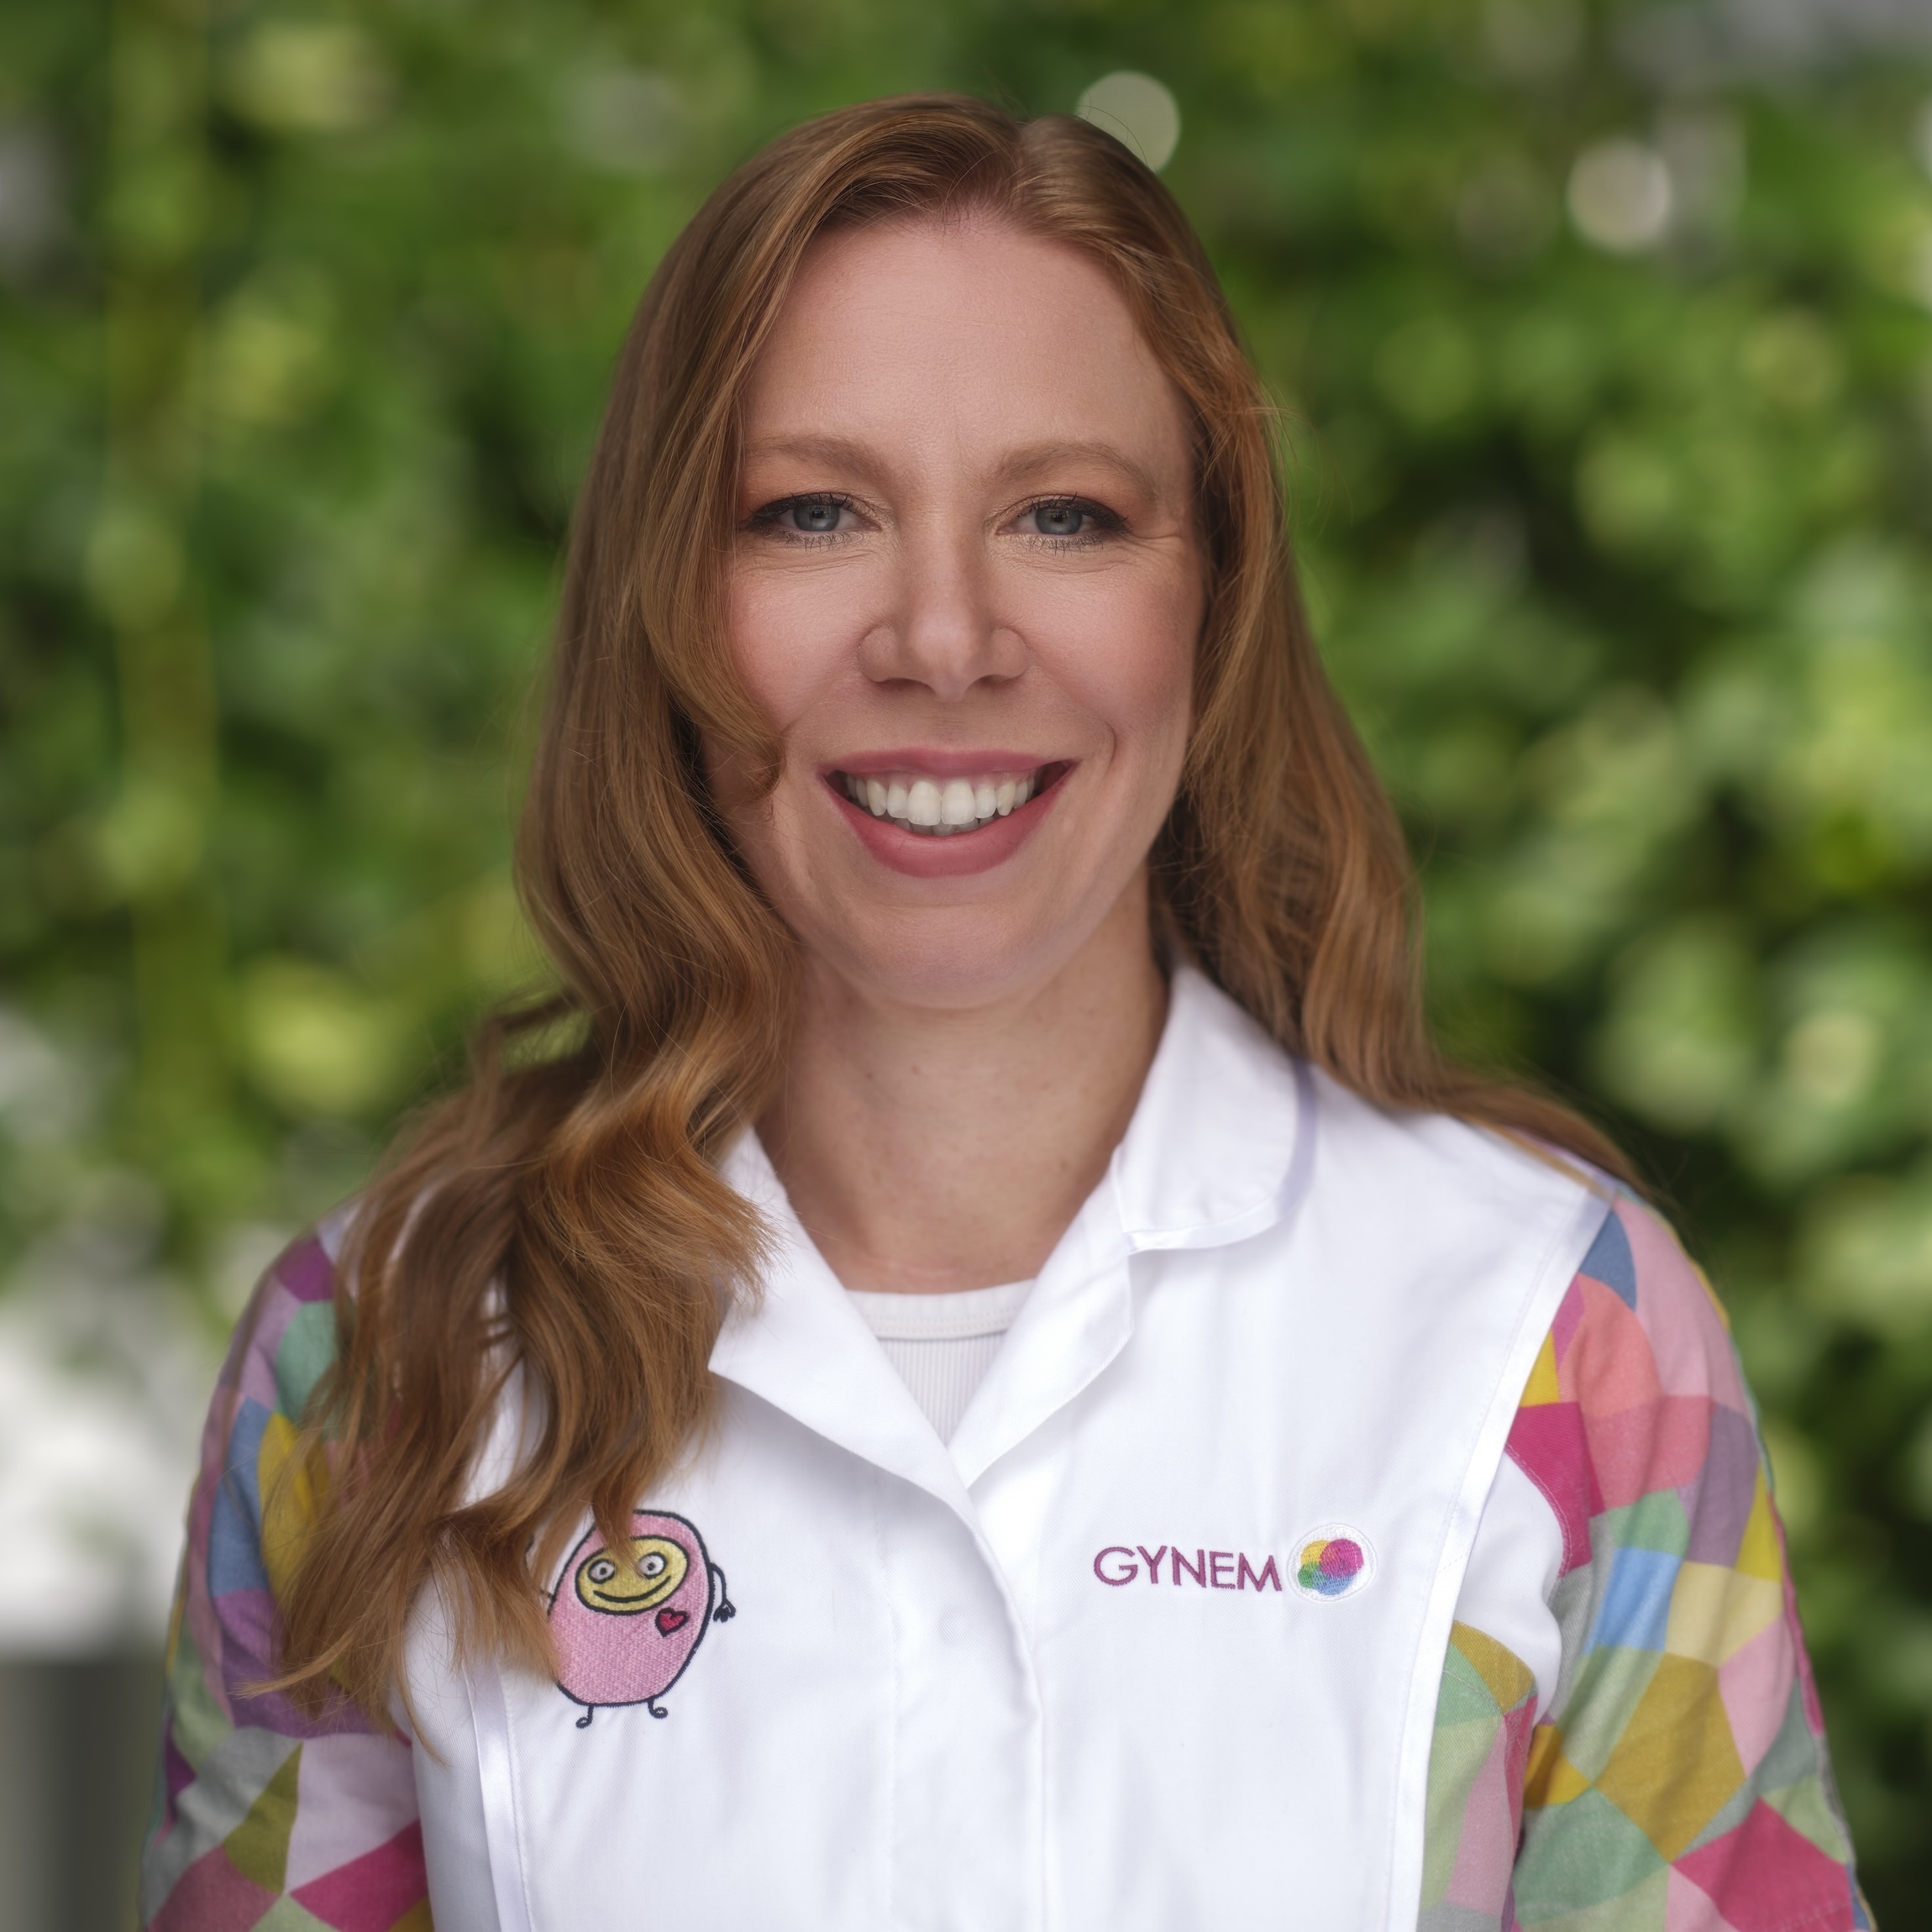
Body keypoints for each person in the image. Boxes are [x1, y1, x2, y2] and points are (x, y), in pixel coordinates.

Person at [139, 96, 1868, 1931]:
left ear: (1209, 596)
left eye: (1064, 515)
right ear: (665, 601)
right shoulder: (379, 1358)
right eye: (812, 513)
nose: (945, 640)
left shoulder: (1562, 1343)